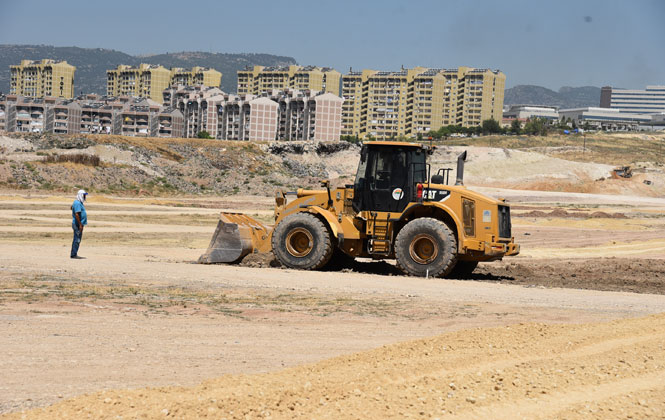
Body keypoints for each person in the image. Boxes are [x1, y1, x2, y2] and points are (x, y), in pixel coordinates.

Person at [70, 189, 88, 259]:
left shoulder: (77, 202)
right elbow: (77, 214)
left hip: (79, 224)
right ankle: (73, 254)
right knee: (77, 239)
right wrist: (80, 224)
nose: (85, 197)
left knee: (77, 239)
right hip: (77, 224)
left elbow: (72, 208)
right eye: (84, 195)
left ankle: (74, 253)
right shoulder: (77, 203)